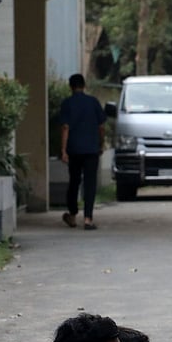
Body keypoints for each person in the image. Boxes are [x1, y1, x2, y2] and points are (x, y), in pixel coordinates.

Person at [59, 73, 106, 230]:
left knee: (74, 182)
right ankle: (88, 219)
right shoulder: (93, 102)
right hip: (92, 149)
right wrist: (101, 144)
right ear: (84, 85)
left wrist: (64, 150)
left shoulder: (67, 103)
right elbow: (101, 126)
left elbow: (65, 127)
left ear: (71, 87)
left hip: (74, 149)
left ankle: (72, 215)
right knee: (90, 183)